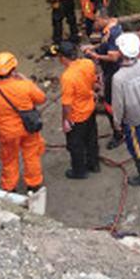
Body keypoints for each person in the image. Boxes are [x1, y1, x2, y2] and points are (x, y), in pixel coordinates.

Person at [0, 52, 47, 193]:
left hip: (7, 133)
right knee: (31, 156)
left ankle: (10, 188)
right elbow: (41, 98)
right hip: (28, 128)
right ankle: (34, 184)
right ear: (14, 69)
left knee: (9, 160)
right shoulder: (25, 86)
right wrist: (26, 80)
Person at [111, 32, 140, 186]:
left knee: (138, 148)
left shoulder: (118, 78)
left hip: (133, 119)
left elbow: (118, 104)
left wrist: (117, 122)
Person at [57, 41, 100, 179]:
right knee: (91, 138)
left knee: (75, 145)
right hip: (90, 108)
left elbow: (66, 104)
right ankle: (94, 163)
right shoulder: (88, 63)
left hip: (77, 115)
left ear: (63, 58)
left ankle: (79, 171)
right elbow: (94, 82)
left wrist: (66, 120)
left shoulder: (67, 77)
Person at [83, 14, 125, 149]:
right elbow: (105, 44)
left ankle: (119, 132)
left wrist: (96, 56)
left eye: (95, 21)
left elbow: (113, 57)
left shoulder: (113, 34)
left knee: (110, 104)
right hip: (112, 71)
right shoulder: (112, 27)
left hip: (113, 73)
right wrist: (94, 47)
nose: (94, 24)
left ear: (102, 18)